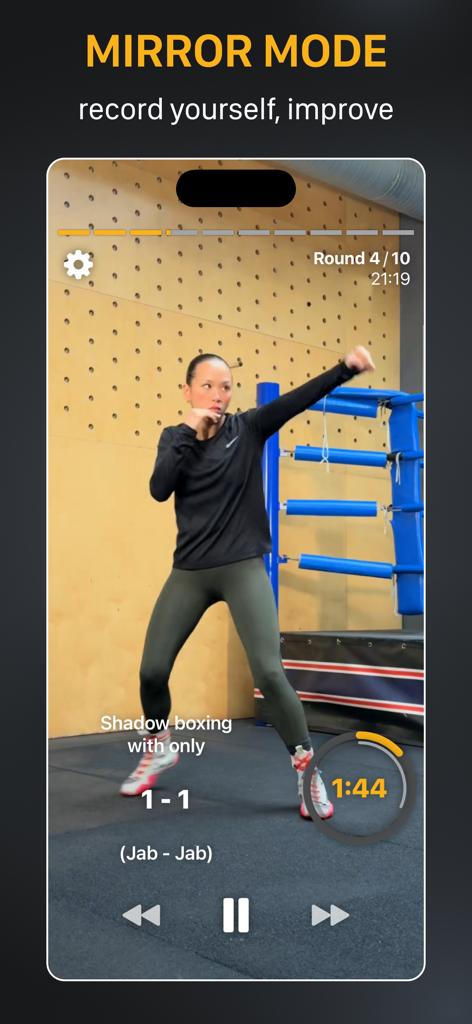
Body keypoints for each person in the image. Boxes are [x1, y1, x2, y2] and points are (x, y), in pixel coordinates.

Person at [120, 346, 375, 818]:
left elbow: (298, 399)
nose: (218, 396)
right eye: (208, 386)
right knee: (152, 671)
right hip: (190, 571)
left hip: (242, 567)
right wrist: (191, 435)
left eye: (226, 387)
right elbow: (159, 488)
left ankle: (307, 771)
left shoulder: (250, 427)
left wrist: (344, 369)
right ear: (188, 390)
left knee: (269, 673)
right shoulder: (173, 437)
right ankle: (158, 748)